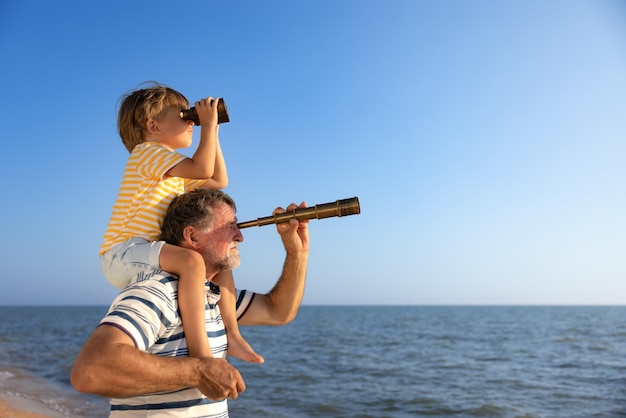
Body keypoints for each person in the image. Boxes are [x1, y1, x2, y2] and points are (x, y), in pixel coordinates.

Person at [72, 188, 310, 416]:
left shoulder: (214, 294)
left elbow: (278, 312)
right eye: (230, 227)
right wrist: (197, 372)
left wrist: (297, 253)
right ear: (193, 236)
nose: (240, 236)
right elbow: (91, 370)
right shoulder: (158, 290)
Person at [99, 82, 262, 364]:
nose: (191, 123)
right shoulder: (146, 153)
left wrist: (215, 130)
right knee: (192, 262)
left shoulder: (171, 170)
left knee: (219, 263)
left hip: (146, 250)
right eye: (184, 116)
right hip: (122, 252)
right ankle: (201, 355)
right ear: (153, 126)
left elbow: (218, 180)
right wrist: (207, 127)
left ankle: (231, 334)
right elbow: (202, 167)